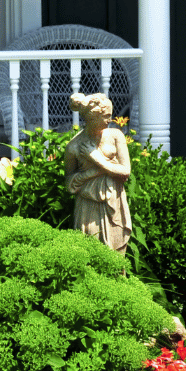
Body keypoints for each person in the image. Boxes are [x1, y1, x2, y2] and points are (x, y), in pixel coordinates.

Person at [64, 92, 132, 253]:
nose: (110, 120)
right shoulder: (73, 147)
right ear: (92, 117)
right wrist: (96, 172)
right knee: (91, 255)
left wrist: (97, 158)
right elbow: (69, 184)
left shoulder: (116, 136)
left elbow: (125, 171)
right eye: (106, 116)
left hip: (114, 201)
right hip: (88, 206)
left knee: (116, 258)